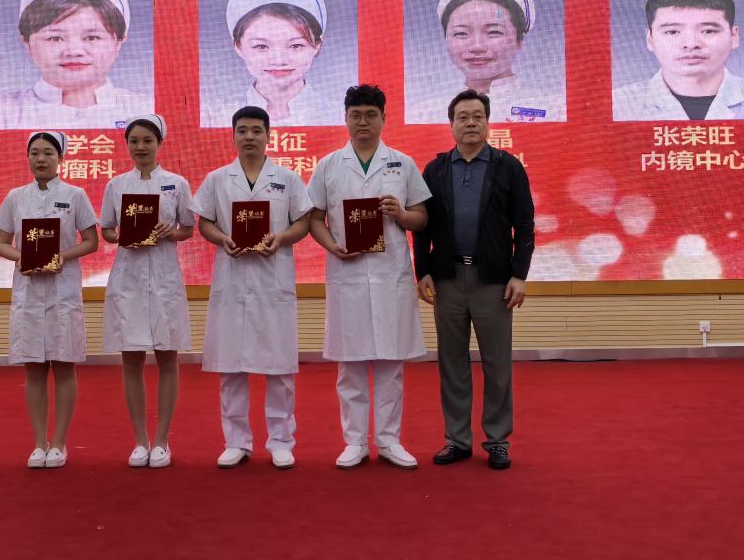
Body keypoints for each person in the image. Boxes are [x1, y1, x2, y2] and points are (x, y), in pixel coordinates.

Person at [308, 84, 431, 469]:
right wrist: (332, 246)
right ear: (345, 119)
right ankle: (355, 442)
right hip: (347, 273)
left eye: (370, 115)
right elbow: (314, 218)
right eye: (356, 115)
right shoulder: (328, 165)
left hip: (389, 275)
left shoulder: (402, 164)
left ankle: (390, 440)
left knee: (391, 365)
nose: (363, 122)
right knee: (351, 365)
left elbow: (421, 218)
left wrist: (401, 214)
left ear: (383, 118)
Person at [413, 91, 535, 470]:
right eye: (462, 116)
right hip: (447, 278)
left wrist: (519, 275)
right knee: (452, 363)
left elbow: (525, 226)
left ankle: (497, 440)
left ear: (487, 122)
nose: (470, 122)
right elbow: (422, 226)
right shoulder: (435, 170)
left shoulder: (508, 167)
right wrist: (422, 270)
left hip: (494, 281)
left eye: (477, 116)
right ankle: (457, 439)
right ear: (451, 124)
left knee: (497, 363)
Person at [191, 106, 313, 468]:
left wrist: (281, 238)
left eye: (256, 130)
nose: (249, 137)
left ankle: (281, 441)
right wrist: (222, 239)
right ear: (232, 136)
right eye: (242, 130)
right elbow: (205, 222)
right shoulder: (217, 178)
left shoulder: (287, 178)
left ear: (268, 136)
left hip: (273, 281)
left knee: (279, 367)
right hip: (232, 280)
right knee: (231, 366)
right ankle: (236, 441)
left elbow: (303, 222)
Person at [0, 131, 100, 469]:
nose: (40, 159)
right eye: (35, 153)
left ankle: (59, 443)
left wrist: (61, 256)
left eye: (48, 153)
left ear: (60, 158)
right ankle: (39, 443)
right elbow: (1, 243)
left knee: (64, 365)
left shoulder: (75, 195)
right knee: (35, 369)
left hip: (62, 290)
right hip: (28, 291)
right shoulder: (15, 197)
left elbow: (91, 241)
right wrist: (22, 257)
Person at [99, 114, 195, 468]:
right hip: (129, 277)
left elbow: (188, 228)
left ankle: (163, 440)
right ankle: (140, 440)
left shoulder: (176, 183)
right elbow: (107, 230)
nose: (140, 147)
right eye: (134, 141)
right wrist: (123, 236)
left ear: (159, 143)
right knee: (132, 358)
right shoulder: (116, 185)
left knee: (168, 356)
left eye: (147, 141)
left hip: (165, 275)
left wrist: (171, 232)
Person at [612, 0, 744, 121]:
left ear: (734, 36)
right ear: (650, 39)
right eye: (672, 32)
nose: (691, 44)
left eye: (708, 31)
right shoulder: (617, 105)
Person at [0, 0, 152, 129]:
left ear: (118, 42)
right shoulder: (1, 112)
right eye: (55, 38)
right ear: (27, 44)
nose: (74, 51)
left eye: (92, 37)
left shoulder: (146, 109)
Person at [406, 0, 564, 125]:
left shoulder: (553, 108)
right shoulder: (425, 113)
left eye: (494, 32)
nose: (477, 46)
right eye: (461, 33)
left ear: (519, 40)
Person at [201, 0, 344, 128]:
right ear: (238, 46)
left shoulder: (340, 116)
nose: (279, 60)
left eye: (295, 46)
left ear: (317, 45)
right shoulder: (213, 119)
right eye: (261, 46)